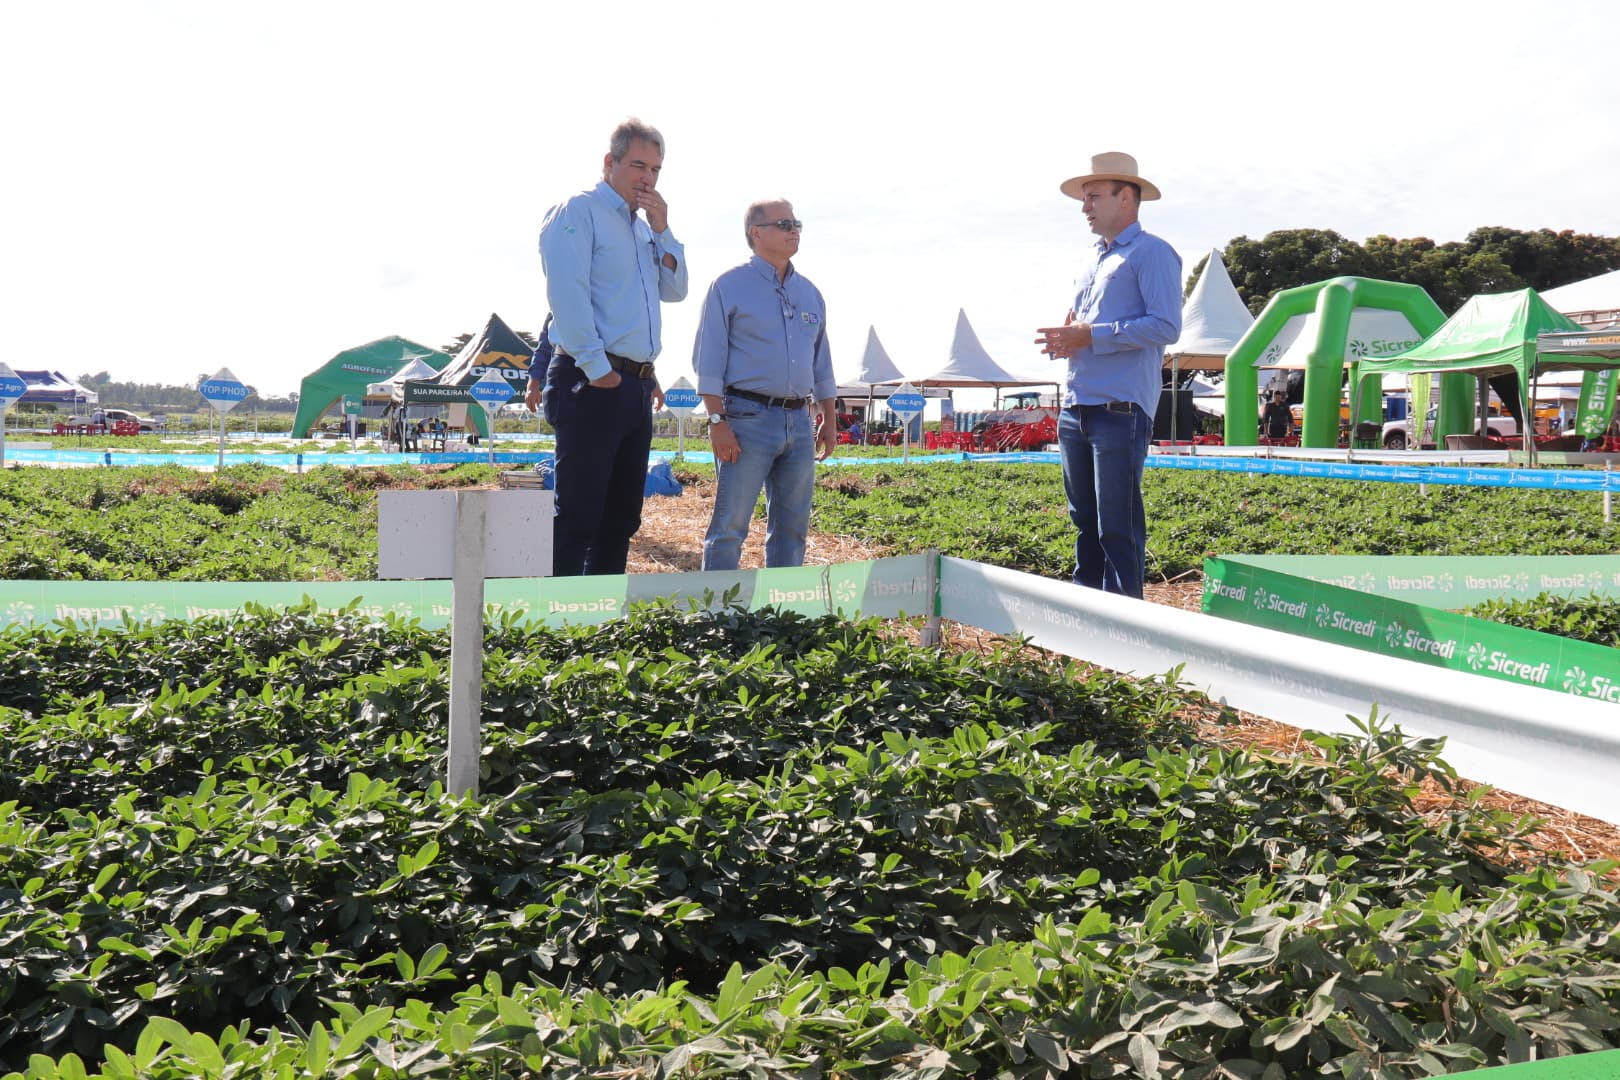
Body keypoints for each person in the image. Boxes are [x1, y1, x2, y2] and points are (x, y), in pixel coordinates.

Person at [536, 118, 688, 576]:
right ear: (610, 162)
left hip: (633, 386)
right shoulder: (578, 212)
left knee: (621, 517)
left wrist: (663, 229)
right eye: (639, 165)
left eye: (656, 170)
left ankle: (599, 615)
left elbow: (676, 289)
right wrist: (598, 369)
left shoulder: (643, 229)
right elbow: (567, 296)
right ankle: (555, 620)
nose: (648, 178)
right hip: (591, 379)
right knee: (579, 513)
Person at [1034, 152, 1181, 598]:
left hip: (1119, 409)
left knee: (1116, 523)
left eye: (1094, 196)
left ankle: (1125, 623)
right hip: (1078, 406)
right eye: (1085, 198)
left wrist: (1090, 336)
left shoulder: (1153, 253)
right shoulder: (1093, 260)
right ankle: (1088, 613)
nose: (1085, 207)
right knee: (1084, 521)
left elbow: (1166, 326)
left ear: (1127, 197)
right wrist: (1071, 338)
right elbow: (1091, 326)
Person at [694, 199, 837, 571]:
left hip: (800, 421)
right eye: (784, 224)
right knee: (730, 526)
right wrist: (716, 422)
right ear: (756, 233)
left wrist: (830, 421)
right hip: (745, 419)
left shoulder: (811, 293)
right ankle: (719, 619)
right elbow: (708, 360)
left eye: (796, 224)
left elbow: (821, 363)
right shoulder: (728, 286)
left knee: (793, 529)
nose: (794, 230)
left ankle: (782, 616)